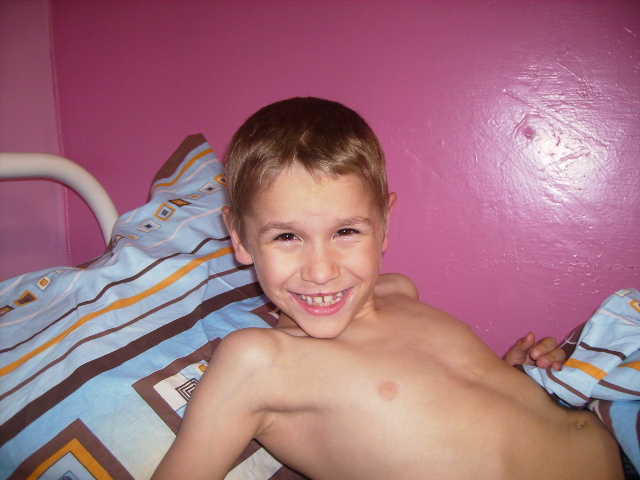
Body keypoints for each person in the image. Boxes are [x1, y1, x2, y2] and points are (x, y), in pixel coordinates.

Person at [152, 97, 623, 480]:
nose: (321, 271)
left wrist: (517, 381)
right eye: (287, 236)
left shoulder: (400, 292)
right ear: (239, 238)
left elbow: (443, 419)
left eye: (346, 232)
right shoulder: (256, 362)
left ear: (385, 224)